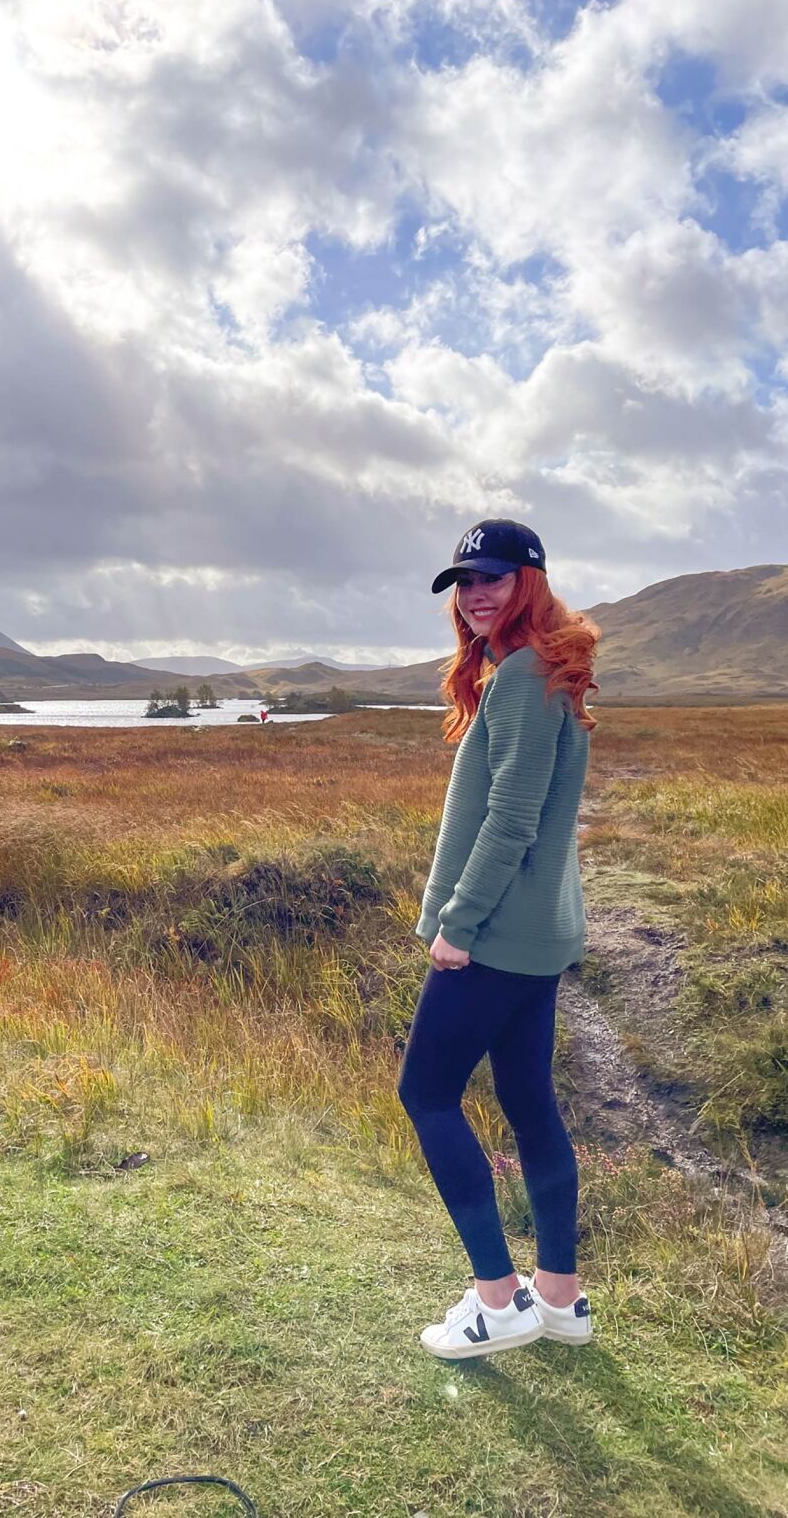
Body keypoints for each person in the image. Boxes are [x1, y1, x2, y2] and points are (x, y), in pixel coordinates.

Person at [397, 518, 601, 1361]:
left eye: (492, 577)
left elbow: (513, 819)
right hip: (539, 936)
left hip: (493, 937)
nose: (475, 595)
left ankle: (498, 1299)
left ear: (531, 580)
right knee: (528, 1103)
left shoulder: (523, 676)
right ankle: (559, 1298)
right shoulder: (550, 672)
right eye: (462, 583)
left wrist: (458, 925)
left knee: (428, 1095)